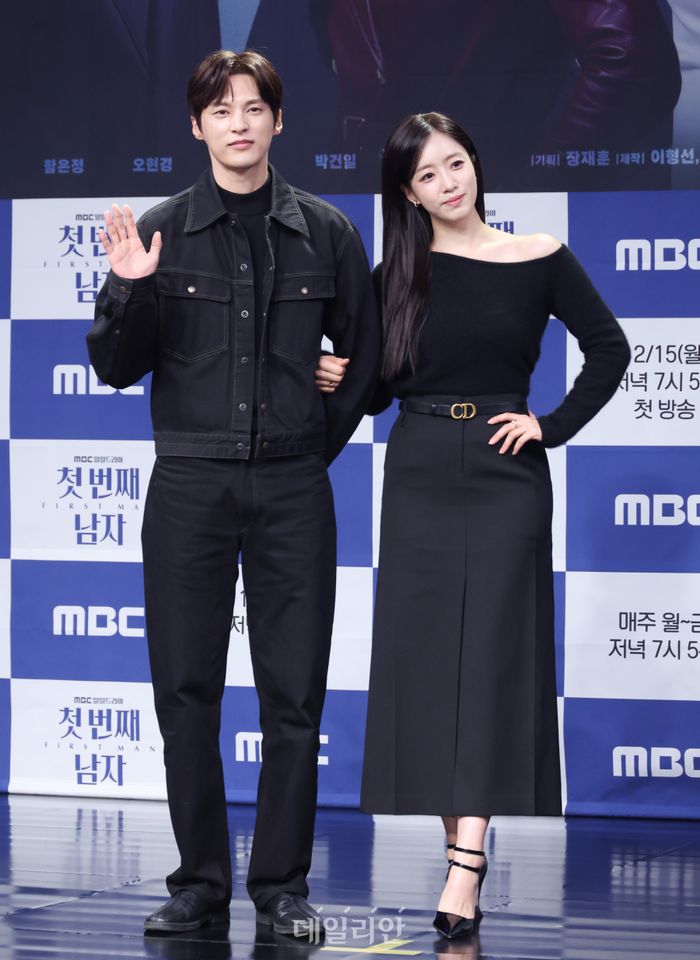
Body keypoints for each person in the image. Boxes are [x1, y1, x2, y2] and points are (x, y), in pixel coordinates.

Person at [87, 49, 379, 937]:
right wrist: (130, 287)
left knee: (294, 697)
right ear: (197, 125)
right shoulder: (160, 231)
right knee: (187, 692)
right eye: (222, 109)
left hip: (293, 486)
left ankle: (282, 888)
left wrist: (308, 446)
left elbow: (364, 362)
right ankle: (199, 884)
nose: (240, 123)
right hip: (189, 484)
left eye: (255, 108)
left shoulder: (328, 231)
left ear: (278, 121)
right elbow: (114, 367)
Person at [317, 112, 630, 938]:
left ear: (476, 165)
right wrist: (338, 374)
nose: (448, 182)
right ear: (409, 194)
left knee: (491, 662)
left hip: (505, 473)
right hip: (418, 466)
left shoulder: (540, 256)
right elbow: (377, 393)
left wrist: (549, 426)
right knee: (426, 668)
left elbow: (610, 349)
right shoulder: (397, 273)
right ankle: (460, 850)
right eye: (427, 175)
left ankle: (466, 863)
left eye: (455, 163)